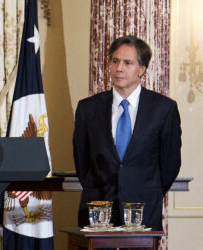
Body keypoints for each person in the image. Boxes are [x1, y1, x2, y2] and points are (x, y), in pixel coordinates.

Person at [73, 35, 181, 231]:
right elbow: (82, 161)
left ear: (142, 69)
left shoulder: (164, 109)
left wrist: (145, 190)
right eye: (115, 61)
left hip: (144, 212)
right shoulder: (87, 108)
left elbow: (170, 164)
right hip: (97, 213)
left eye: (127, 63)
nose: (119, 68)